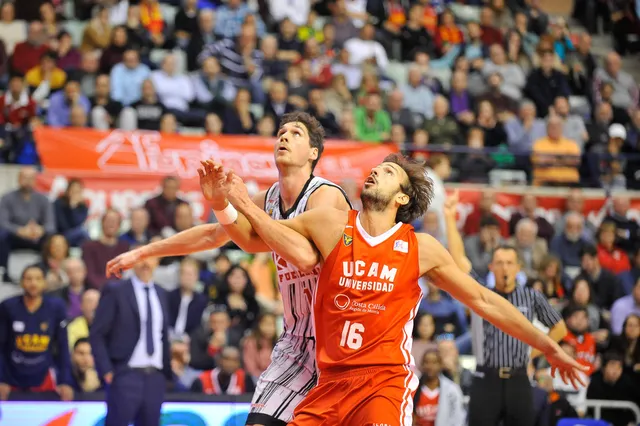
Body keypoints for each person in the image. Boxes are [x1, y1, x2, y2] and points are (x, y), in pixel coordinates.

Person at [200, 153, 586, 425]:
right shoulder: (330, 223)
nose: (374, 172)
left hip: (382, 384)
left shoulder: (421, 248)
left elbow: (485, 300)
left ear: (402, 197)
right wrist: (228, 203)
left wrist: (549, 346)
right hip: (329, 382)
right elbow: (253, 240)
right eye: (376, 168)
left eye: (387, 172)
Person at [106, 111, 351, 426]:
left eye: (296, 133)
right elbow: (214, 235)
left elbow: (305, 257)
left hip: (340, 343)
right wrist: (145, 251)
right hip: (295, 342)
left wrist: (243, 205)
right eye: (281, 132)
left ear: (313, 153)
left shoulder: (326, 195)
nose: (284, 136)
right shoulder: (270, 199)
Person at [90, 253, 172, 426]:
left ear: (157, 262)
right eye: (140, 258)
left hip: (155, 377)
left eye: (150, 258)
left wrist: (166, 373)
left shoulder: (162, 293)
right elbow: (97, 333)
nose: (145, 263)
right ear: (132, 262)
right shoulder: (116, 290)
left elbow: (163, 335)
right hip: (125, 373)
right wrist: (106, 369)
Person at [0, 265, 73, 401]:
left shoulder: (57, 307)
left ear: (44, 282)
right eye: (29, 279)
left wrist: (65, 381)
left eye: (38, 279)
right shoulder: (7, 306)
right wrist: (1, 379)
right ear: (21, 282)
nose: (33, 283)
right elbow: (1, 347)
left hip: (44, 376)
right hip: (11, 377)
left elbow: (63, 345)